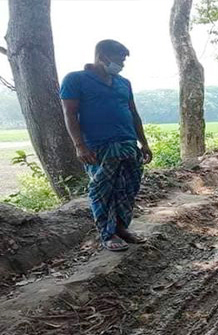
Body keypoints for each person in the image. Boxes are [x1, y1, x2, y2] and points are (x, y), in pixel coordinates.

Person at [60, 39, 152, 251]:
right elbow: (70, 113)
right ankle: (107, 234)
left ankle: (121, 228)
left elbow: (133, 113)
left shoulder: (123, 82)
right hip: (98, 147)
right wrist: (79, 145)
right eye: (119, 59)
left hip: (128, 143)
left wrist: (143, 143)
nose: (122, 64)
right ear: (102, 57)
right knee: (102, 190)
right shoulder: (75, 79)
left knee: (128, 189)